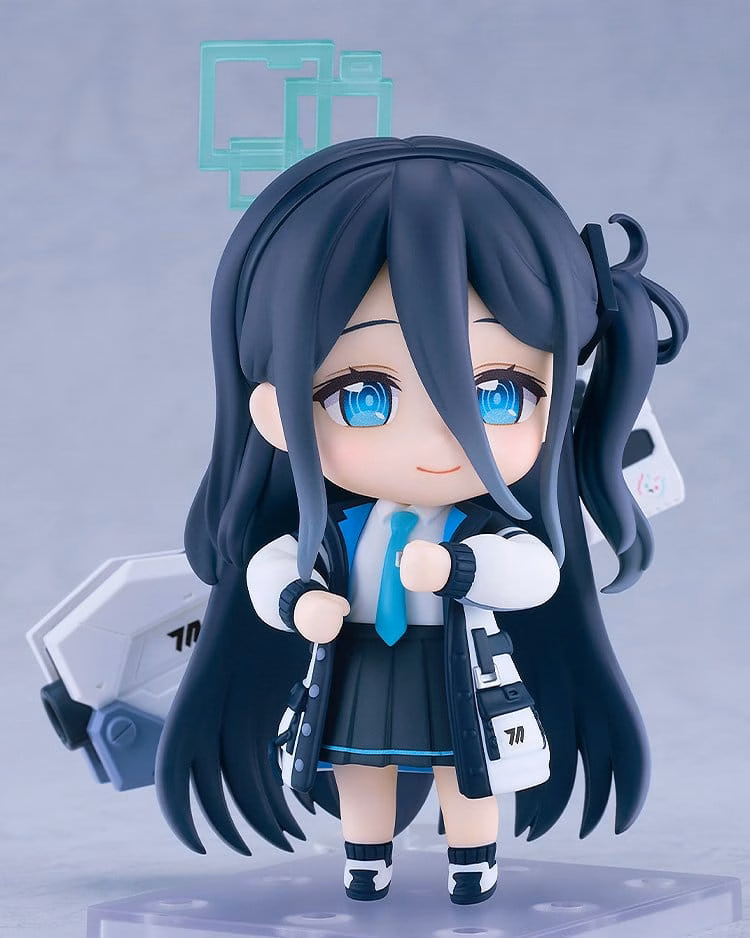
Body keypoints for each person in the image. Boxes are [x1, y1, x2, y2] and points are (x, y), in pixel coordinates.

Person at [155, 136, 688, 905]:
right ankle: (364, 859)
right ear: (274, 413)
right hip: (358, 664)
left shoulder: (478, 531)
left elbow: (535, 572)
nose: (438, 440)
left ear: (556, 404)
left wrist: (461, 567)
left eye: (499, 391)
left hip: (458, 670)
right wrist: (298, 602)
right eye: (363, 394)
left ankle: (473, 862)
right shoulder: (338, 533)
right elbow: (272, 565)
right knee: (357, 769)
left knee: (465, 772)